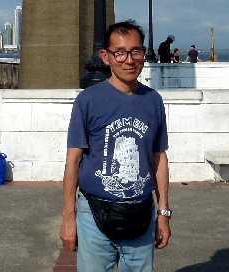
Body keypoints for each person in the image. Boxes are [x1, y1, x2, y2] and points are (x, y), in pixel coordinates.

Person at [60, 21, 171, 271]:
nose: (129, 60)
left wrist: (163, 213)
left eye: (135, 51)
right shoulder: (88, 100)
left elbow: (159, 159)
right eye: (120, 52)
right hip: (93, 213)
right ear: (106, 57)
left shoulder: (153, 101)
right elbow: (73, 161)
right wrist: (68, 217)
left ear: (143, 54)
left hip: (141, 213)